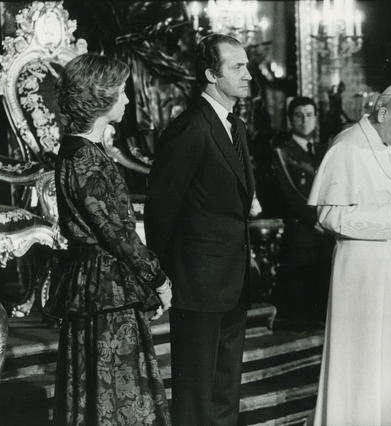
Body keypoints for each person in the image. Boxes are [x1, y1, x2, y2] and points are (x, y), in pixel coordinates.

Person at [47, 53, 171, 425]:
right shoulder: (85, 157)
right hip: (105, 289)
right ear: (100, 98)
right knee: (117, 393)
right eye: (121, 91)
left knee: (101, 391)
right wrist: (159, 280)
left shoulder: (82, 150)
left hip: (97, 283)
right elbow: (117, 234)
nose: (127, 99)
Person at [308, 83, 391, 425]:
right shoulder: (347, 147)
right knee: (363, 357)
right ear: (383, 113)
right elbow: (328, 216)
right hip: (362, 272)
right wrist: (387, 214)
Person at [145, 34, 255, 425]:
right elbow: (161, 210)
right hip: (197, 282)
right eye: (237, 67)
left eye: (246, 65)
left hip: (231, 279)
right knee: (196, 394)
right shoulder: (190, 128)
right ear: (211, 74)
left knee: (225, 388)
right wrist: (164, 275)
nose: (248, 75)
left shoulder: (233, 125)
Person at [270, 96, 334, 325]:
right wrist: (314, 219)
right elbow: (289, 192)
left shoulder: (324, 150)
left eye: (309, 115)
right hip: (302, 233)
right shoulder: (282, 152)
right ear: (290, 120)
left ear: (316, 118)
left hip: (326, 232)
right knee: (301, 303)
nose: (304, 120)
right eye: (298, 115)